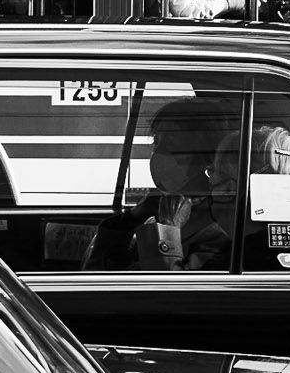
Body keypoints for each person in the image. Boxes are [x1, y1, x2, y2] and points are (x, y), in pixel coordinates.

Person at [88, 96, 238, 271]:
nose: (157, 154)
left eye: (171, 144)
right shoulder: (155, 208)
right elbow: (97, 269)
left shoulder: (219, 224)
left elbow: (168, 290)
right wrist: (129, 219)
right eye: (156, 142)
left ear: (204, 155)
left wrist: (169, 228)